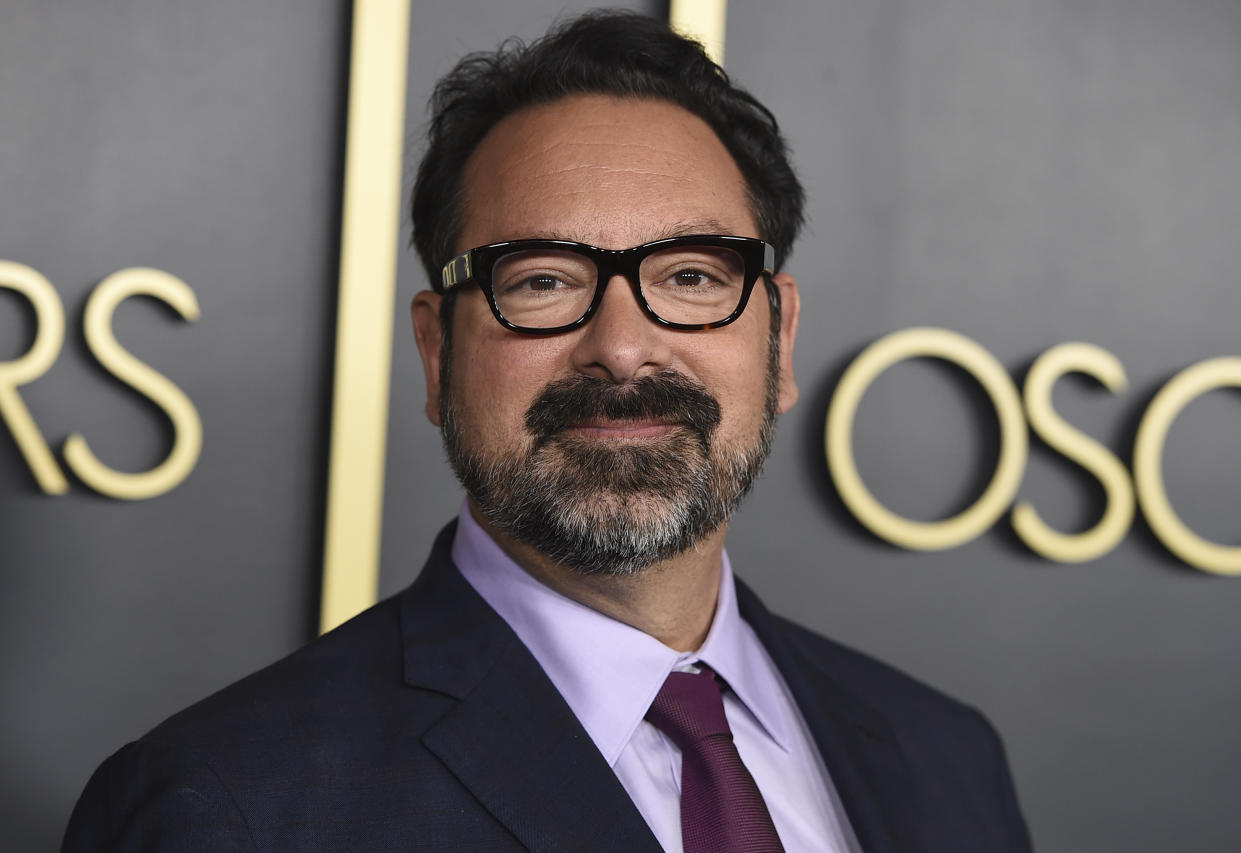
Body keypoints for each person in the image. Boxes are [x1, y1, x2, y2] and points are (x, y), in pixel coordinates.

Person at [64, 11, 1033, 852]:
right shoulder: (227, 806)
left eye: (690, 277)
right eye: (542, 282)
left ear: (776, 339)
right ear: (437, 351)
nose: (620, 348)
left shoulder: (944, 759)